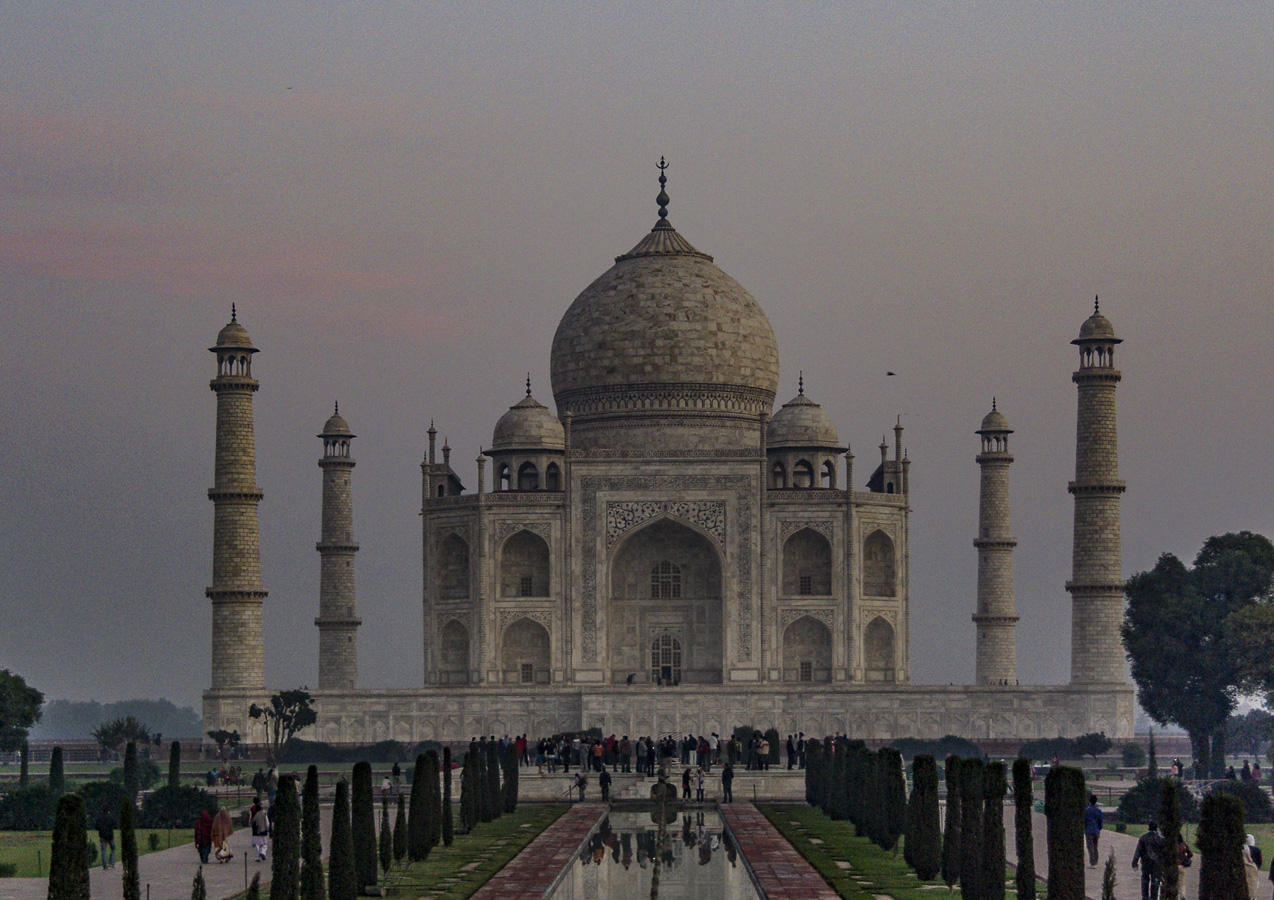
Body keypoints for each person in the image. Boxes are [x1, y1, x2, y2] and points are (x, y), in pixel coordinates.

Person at [1131, 820, 1163, 900]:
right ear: (1157, 828)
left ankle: (1145, 897)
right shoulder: (1160, 839)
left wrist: (1135, 862)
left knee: (1145, 880)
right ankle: (1154, 897)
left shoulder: (1143, 838)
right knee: (1155, 881)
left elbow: (1138, 851)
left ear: (1148, 827)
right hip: (1157, 863)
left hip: (1146, 862)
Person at [1084, 794, 1104, 867]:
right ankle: (1096, 861)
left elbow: (1084, 820)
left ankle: (1092, 862)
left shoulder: (1087, 810)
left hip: (1089, 830)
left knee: (1090, 846)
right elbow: (1100, 820)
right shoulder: (1098, 810)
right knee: (1095, 847)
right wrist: (1100, 828)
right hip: (1096, 830)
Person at [1244, 833, 1261, 900]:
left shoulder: (1242, 848)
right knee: (1252, 889)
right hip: (1253, 871)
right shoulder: (1256, 850)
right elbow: (1259, 861)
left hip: (1243, 870)